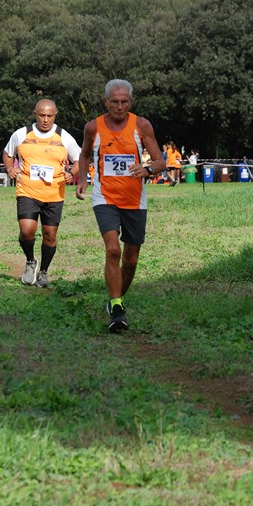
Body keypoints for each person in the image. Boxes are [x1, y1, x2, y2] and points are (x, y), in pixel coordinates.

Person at [75, 79, 165, 333]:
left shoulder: (142, 125)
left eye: (124, 101)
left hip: (135, 199)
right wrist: (82, 179)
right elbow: (83, 155)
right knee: (113, 249)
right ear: (106, 102)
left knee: (132, 260)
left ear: (130, 102)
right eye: (114, 101)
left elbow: (160, 162)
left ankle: (116, 299)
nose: (119, 106)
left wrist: (146, 168)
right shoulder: (93, 127)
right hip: (105, 197)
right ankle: (116, 308)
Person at [3, 98, 81, 288]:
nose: (46, 119)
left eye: (50, 115)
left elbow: (80, 159)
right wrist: (9, 168)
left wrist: (72, 173)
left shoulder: (64, 137)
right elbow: (7, 153)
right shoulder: (21, 134)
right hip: (27, 190)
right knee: (27, 230)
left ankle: (43, 271)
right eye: (42, 115)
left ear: (55, 115)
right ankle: (30, 261)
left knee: (50, 236)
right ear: (35, 113)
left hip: (54, 193)